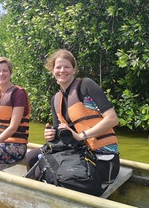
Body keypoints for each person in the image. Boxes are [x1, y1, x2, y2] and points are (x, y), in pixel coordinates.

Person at [26, 49, 120, 184]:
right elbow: (60, 133)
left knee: (52, 174)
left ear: (74, 70)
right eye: (58, 67)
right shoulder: (55, 99)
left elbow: (112, 119)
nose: (62, 70)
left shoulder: (86, 85)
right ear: (52, 71)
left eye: (67, 67)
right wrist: (51, 134)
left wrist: (82, 136)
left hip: (102, 158)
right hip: (76, 153)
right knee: (31, 158)